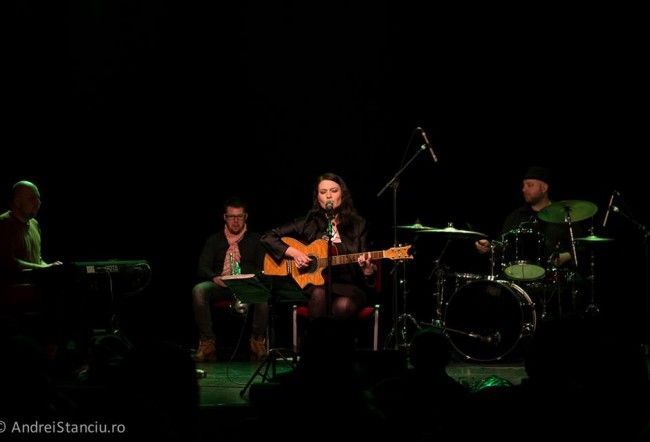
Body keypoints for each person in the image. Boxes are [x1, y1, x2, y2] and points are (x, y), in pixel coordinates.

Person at [260, 172, 376, 321]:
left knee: (343, 306)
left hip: (350, 287)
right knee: (319, 294)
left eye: (334, 191)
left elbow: (367, 265)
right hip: (316, 285)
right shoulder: (309, 222)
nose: (329, 196)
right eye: (323, 192)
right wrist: (295, 253)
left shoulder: (358, 224)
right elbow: (267, 237)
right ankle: (315, 335)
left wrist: (367, 270)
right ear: (318, 198)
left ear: (342, 194)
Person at [474, 166, 586, 317]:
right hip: (517, 281)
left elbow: (580, 247)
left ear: (544, 188)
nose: (524, 189)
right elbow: (503, 245)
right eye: (523, 185)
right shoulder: (516, 217)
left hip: (553, 283)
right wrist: (490, 247)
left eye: (529, 185)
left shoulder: (563, 216)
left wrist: (565, 256)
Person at [191, 196, 268, 362]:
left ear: (246, 217)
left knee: (263, 294)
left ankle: (257, 341)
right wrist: (215, 277)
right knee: (199, 290)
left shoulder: (256, 240)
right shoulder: (214, 240)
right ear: (225, 217)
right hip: (222, 286)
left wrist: (251, 279)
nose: (235, 221)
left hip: (247, 286)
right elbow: (202, 267)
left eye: (239, 216)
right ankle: (207, 342)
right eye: (232, 217)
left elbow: (264, 268)